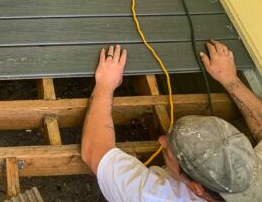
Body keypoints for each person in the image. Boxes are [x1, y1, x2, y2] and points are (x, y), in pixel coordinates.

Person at [81, 40, 261, 201]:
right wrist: (230, 78)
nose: (161, 141)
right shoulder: (253, 174)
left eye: (170, 150)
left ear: (195, 188)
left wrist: (105, 84)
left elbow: (95, 151)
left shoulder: (153, 196)